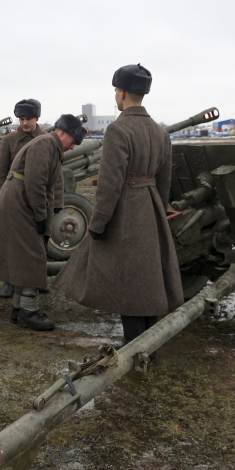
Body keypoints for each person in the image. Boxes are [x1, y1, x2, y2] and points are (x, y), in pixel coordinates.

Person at [55, 64, 182, 349]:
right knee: (147, 280)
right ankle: (149, 344)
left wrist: (98, 223)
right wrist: (158, 211)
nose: (115, 95)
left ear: (122, 92)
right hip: (151, 209)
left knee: (129, 283)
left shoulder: (117, 129)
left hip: (127, 212)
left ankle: (134, 347)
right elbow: (164, 181)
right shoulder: (161, 133)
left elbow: (110, 183)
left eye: (115, 90)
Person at [0, 115, 86, 330]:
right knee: (33, 256)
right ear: (62, 132)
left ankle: (18, 308)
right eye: (73, 141)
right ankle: (29, 311)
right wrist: (41, 217)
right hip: (21, 204)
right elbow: (35, 184)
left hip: (19, 203)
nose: (73, 147)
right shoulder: (45, 145)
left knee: (23, 257)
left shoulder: (48, 145)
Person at [0, 99, 52, 299]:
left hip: (40, 199)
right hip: (14, 200)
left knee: (40, 243)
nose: (25, 123)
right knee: (11, 242)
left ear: (37, 118)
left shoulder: (46, 140)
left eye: (29, 119)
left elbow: (55, 175)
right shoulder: (9, 141)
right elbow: (0, 174)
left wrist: (57, 203)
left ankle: (37, 280)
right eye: (22, 119)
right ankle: (9, 280)